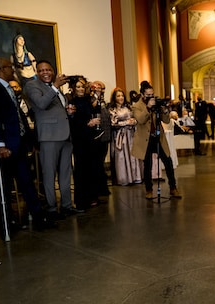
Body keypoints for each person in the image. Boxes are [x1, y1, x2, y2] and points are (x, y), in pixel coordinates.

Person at [0, 57, 52, 233]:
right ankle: (8, 222)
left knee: (27, 183)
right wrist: (0, 145)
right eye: (10, 67)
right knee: (5, 187)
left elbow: (17, 116)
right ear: (0, 69)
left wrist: (30, 139)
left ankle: (38, 218)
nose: (13, 70)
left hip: (19, 144)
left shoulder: (7, 88)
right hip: (6, 148)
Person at [24, 60, 79, 219]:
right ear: (37, 72)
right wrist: (55, 86)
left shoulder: (57, 89)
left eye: (48, 69)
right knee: (49, 174)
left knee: (65, 173)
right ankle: (52, 208)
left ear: (53, 71)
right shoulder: (32, 86)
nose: (45, 72)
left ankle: (67, 206)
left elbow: (56, 109)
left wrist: (68, 112)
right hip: (49, 137)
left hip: (66, 135)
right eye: (41, 70)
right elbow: (41, 104)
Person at [131, 81, 181, 200]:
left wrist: (164, 110)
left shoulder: (156, 103)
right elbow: (141, 119)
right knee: (147, 165)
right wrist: (148, 107)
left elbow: (166, 121)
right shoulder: (136, 106)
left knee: (168, 162)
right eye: (148, 95)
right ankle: (149, 189)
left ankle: (173, 188)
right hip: (145, 140)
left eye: (152, 94)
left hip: (158, 138)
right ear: (142, 94)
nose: (151, 97)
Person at [67, 77, 100, 210]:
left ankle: (92, 196)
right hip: (79, 138)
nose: (80, 89)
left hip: (90, 138)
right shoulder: (72, 102)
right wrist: (88, 124)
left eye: (82, 86)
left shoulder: (88, 101)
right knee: (81, 168)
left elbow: (95, 110)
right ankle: (81, 200)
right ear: (73, 88)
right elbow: (73, 123)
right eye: (78, 87)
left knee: (92, 167)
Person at [108, 87, 140, 186]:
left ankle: (135, 177)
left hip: (131, 134)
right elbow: (113, 123)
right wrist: (126, 122)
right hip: (120, 135)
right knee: (122, 156)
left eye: (122, 95)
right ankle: (124, 178)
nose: (121, 97)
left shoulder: (128, 107)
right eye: (118, 96)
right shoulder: (112, 109)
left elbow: (134, 118)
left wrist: (134, 121)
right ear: (114, 97)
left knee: (133, 155)